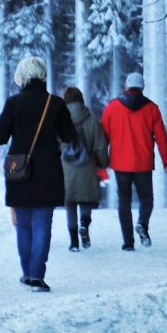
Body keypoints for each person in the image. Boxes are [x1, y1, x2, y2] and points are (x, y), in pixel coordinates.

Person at [0, 57, 76, 292]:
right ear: (42, 75)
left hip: (19, 170)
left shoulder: (13, 103)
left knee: (24, 226)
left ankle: (27, 272)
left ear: (22, 76)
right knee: (42, 226)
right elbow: (70, 136)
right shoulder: (56, 104)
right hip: (48, 171)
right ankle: (37, 276)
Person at [100, 72, 167, 251]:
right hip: (143, 163)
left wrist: (101, 166)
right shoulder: (152, 109)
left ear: (126, 87)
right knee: (146, 198)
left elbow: (102, 139)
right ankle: (142, 223)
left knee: (124, 201)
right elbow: (161, 137)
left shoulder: (112, 108)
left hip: (120, 164)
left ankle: (128, 243)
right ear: (142, 87)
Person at [61, 87, 108, 251]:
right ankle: (84, 225)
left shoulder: (59, 120)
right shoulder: (92, 119)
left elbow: (56, 145)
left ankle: (74, 242)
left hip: (67, 169)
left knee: (71, 203)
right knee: (86, 199)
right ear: (81, 100)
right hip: (88, 166)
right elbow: (100, 145)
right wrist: (102, 163)